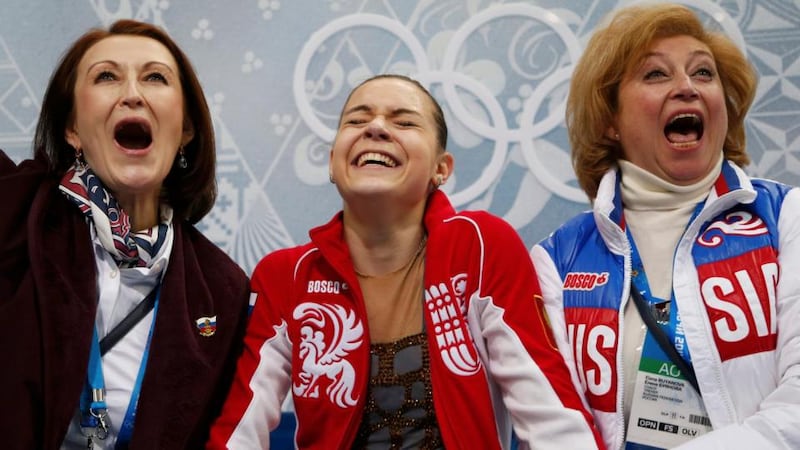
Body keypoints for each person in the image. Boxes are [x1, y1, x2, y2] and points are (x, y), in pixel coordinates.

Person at [207, 74, 604, 449]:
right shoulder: (286, 277)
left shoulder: (481, 246)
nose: (375, 128)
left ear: (440, 169)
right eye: (357, 119)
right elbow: (241, 427)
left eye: (404, 122)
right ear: (332, 162)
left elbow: (551, 413)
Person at [530, 3, 800, 450]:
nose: (687, 88)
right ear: (611, 121)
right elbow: (554, 425)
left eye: (703, 73)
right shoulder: (558, 260)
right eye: (656, 75)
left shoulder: (785, 216)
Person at [0, 20, 251, 449]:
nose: (133, 93)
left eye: (155, 77)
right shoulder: (11, 208)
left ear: (186, 130)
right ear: (73, 129)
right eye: (106, 76)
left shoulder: (222, 289)